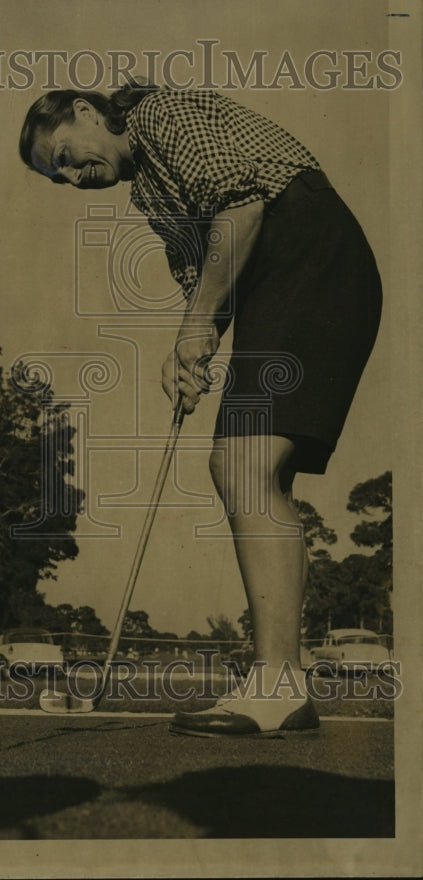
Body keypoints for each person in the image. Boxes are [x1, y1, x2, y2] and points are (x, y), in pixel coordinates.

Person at [19, 84, 381, 736]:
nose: (74, 177)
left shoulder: (161, 113)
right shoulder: (149, 194)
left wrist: (196, 326)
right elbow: (206, 285)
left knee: (243, 464)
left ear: (85, 112)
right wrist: (188, 349)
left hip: (310, 255)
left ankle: (278, 685)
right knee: (241, 466)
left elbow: (240, 206)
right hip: (288, 274)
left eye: (68, 156)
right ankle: (280, 683)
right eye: (59, 177)